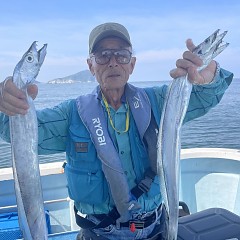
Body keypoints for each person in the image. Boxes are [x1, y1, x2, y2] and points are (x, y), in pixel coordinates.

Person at [0, 22, 233, 240]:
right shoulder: (70, 114)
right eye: (102, 55)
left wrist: (207, 79)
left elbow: (202, 98)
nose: (113, 62)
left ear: (132, 64)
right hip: (99, 233)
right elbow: (14, 131)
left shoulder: (160, 101)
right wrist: (6, 102)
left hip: (156, 229)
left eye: (121, 55)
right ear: (90, 65)